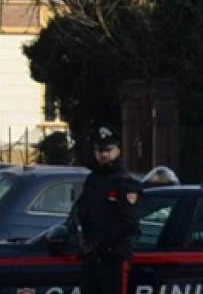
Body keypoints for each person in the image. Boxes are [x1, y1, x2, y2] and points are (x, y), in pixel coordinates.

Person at [69, 126, 144, 294]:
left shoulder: (125, 184)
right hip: (92, 258)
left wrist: (98, 243)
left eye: (108, 150)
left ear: (118, 150)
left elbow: (128, 223)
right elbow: (80, 211)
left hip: (114, 258)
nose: (103, 155)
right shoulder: (93, 180)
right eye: (99, 150)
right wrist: (74, 230)